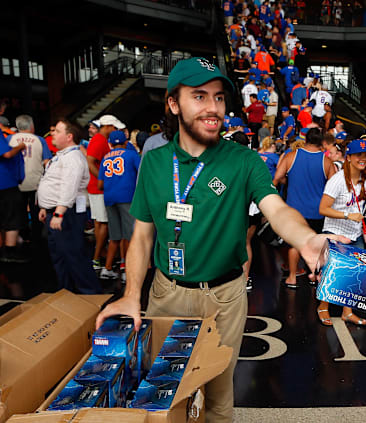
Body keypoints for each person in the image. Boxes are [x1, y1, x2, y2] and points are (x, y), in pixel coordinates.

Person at [95, 58, 345, 423]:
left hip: (225, 299)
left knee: (218, 400)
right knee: (165, 398)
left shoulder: (243, 161)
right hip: (169, 294)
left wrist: (306, 239)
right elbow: (142, 237)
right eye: (199, 96)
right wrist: (132, 295)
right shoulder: (154, 163)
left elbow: (276, 209)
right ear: (173, 103)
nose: (213, 108)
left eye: (219, 97)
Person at [316, 139, 366, 326]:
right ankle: (323, 307)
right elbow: (323, 208)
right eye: (359, 155)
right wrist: (347, 215)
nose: (363, 159)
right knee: (333, 272)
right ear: (349, 157)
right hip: (335, 232)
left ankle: (347, 312)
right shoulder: (337, 180)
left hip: (355, 233)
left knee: (355, 274)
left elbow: (364, 204)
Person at [37, 119, 102, 294]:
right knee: (60, 256)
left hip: (67, 214)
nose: (53, 134)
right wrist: (45, 207)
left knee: (73, 256)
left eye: (57, 131)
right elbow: (53, 183)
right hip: (57, 212)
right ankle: (65, 293)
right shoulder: (62, 156)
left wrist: (59, 213)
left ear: (69, 136)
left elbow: (69, 187)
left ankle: (91, 295)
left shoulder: (73, 158)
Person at [273, 127, 336, 288]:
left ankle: (292, 277)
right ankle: (313, 276)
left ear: (305, 139)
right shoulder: (326, 161)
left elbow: (277, 177)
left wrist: (290, 183)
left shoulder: (291, 156)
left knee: (294, 244)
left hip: (294, 209)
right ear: (321, 142)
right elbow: (334, 185)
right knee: (315, 244)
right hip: (317, 211)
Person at [97, 130, 141, 281]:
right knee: (129, 235)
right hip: (126, 196)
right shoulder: (131, 154)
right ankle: (126, 272)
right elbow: (141, 173)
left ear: (110, 143)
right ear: (125, 142)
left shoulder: (105, 158)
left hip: (109, 197)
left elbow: (99, 184)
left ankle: (107, 268)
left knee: (115, 236)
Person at [8, 115, 52, 246]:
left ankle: (22, 235)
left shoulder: (9, 139)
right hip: (36, 182)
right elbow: (47, 162)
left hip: (16, 182)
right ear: (32, 126)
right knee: (36, 210)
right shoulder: (39, 140)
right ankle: (37, 238)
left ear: (17, 127)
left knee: (18, 211)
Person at [88, 114, 125, 271]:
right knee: (103, 223)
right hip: (98, 188)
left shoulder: (99, 139)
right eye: (114, 127)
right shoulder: (99, 140)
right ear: (108, 126)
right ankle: (97, 257)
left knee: (99, 222)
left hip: (95, 187)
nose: (115, 130)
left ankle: (100, 253)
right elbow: (89, 161)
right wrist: (102, 181)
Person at [0, 130, 26, 263]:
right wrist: (20, 146)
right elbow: (7, 154)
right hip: (5, 182)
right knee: (12, 216)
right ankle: (10, 252)